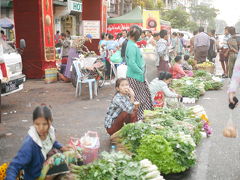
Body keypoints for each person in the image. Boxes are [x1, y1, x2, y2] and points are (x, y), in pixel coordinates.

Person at [6, 105, 71, 179]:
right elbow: (14, 166)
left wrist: (62, 147)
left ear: (51, 121)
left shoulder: (50, 132)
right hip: (35, 176)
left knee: (69, 156)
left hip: (43, 164)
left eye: (45, 124)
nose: (41, 128)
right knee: (59, 158)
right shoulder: (29, 144)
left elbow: (52, 141)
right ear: (33, 123)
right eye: (37, 124)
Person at [125, 25, 153, 120]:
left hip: (136, 75)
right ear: (135, 36)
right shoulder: (132, 45)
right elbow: (131, 63)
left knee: (141, 97)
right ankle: (138, 117)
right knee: (139, 98)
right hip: (135, 76)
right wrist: (140, 71)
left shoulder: (131, 44)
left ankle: (140, 116)